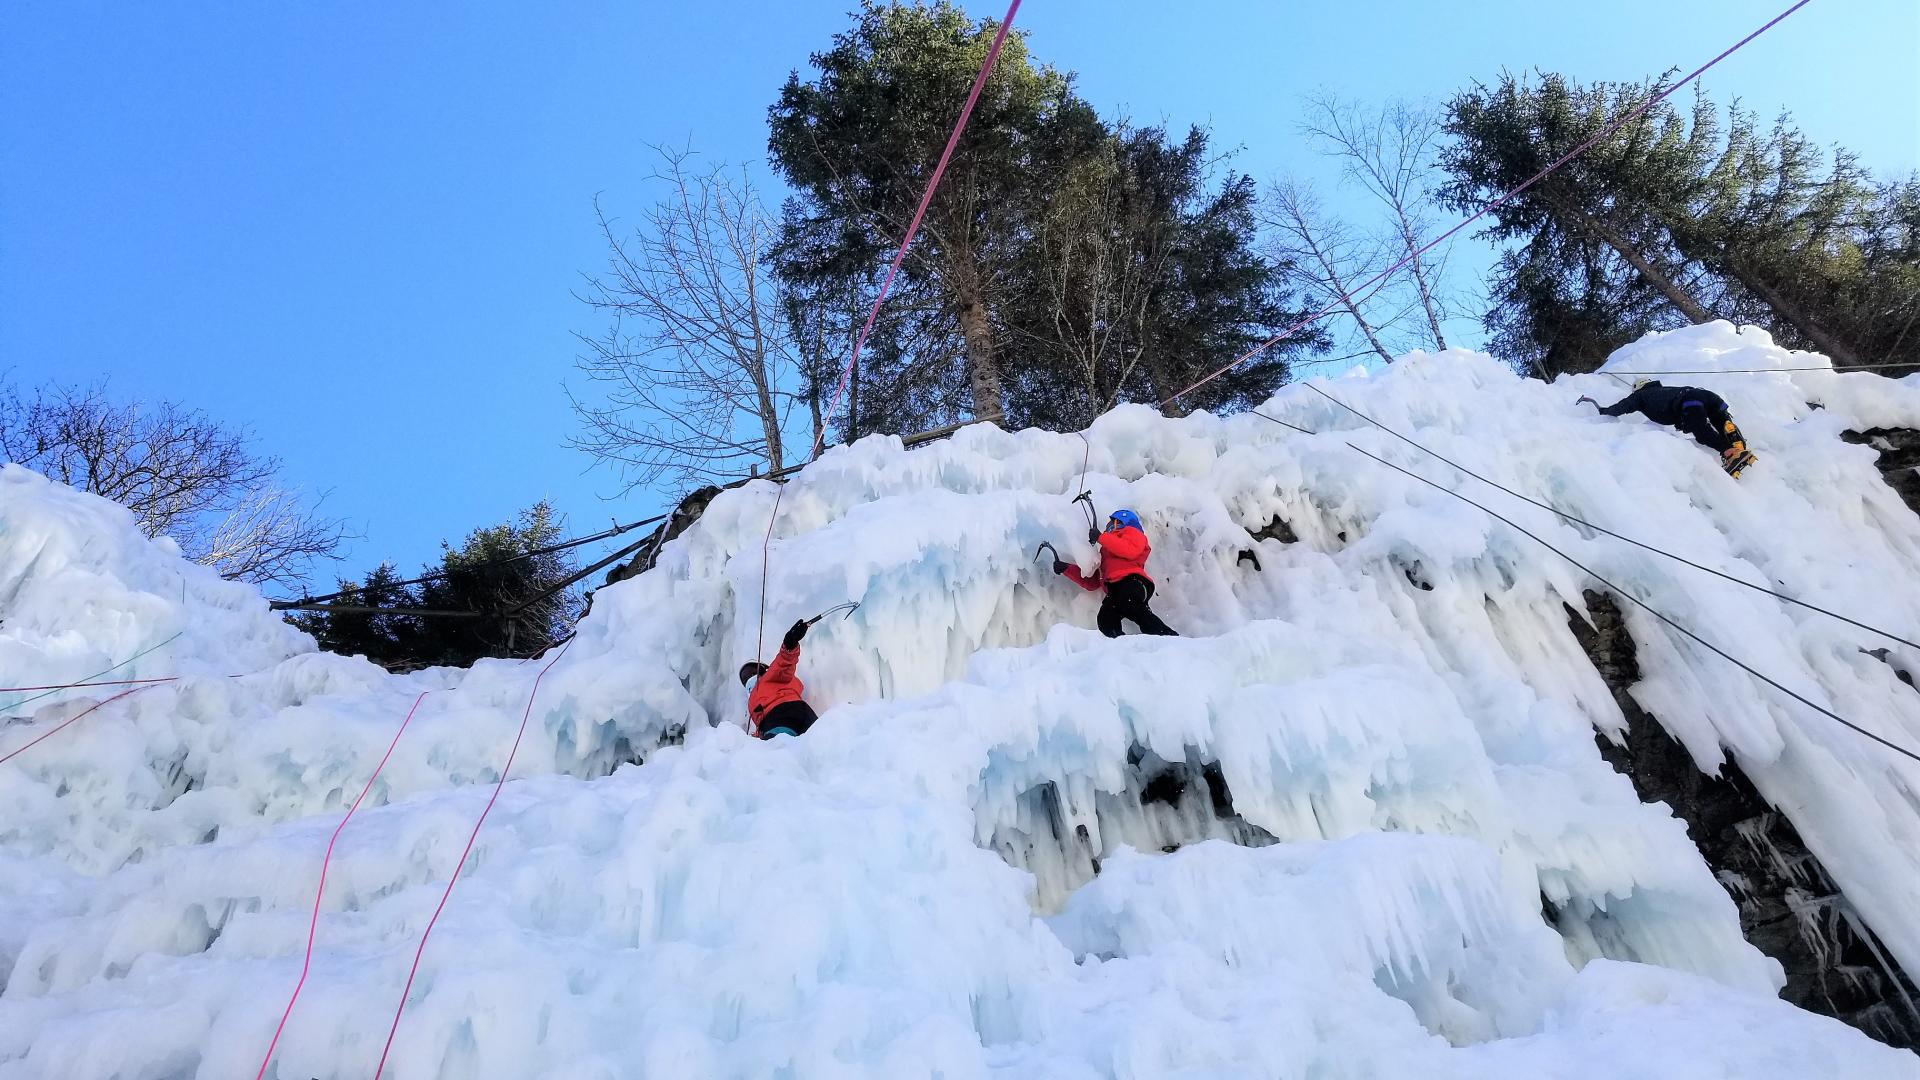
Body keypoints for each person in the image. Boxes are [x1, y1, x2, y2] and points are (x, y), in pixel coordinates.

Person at [1578, 379, 1758, 476]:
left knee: (1702, 432)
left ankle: (1730, 453)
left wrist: (1605, 411)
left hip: (1690, 402)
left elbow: (1623, 406)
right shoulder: (1663, 390)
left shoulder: (1641, 395)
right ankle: (1738, 447)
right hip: (1707, 396)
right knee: (1721, 423)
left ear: (1638, 388)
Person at [1053, 508, 1179, 638]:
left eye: (1110, 523)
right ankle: (1120, 646)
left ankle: (1168, 636)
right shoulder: (1105, 551)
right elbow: (1094, 581)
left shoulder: (1133, 532)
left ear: (1119, 522)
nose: (1107, 527)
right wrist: (1066, 569)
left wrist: (1101, 537)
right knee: (1105, 619)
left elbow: (1130, 550)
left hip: (1133, 582)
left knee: (1130, 604)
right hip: (1115, 590)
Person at [739, 619, 818, 738]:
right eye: (745, 677)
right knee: (820, 746)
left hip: (781, 715)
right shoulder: (777, 684)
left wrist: (789, 644)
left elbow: (783, 665)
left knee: (776, 750)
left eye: (752, 671)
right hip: (802, 714)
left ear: (763, 670)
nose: (749, 677)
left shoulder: (770, 678)